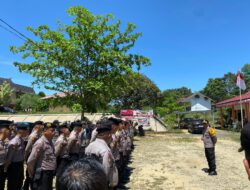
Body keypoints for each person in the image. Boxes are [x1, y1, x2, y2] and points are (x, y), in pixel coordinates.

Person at [85, 120, 119, 188]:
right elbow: (107, 169)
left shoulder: (90, 146)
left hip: (92, 179)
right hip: (103, 183)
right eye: (111, 134)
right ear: (108, 135)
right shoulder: (105, 150)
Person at [27, 122, 57, 190]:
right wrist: (32, 173)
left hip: (49, 172)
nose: (54, 132)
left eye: (54, 130)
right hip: (43, 173)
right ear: (45, 131)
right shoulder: (40, 143)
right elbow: (31, 160)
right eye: (52, 131)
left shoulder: (50, 142)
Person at [5, 123, 28, 190]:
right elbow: (9, 158)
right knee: (13, 184)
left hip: (20, 164)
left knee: (19, 182)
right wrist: (6, 169)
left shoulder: (21, 140)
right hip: (13, 166)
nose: (27, 133)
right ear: (22, 131)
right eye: (26, 131)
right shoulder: (14, 142)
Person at [23, 121, 44, 190]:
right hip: (31, 155)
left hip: (34, 155)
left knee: (30, 174)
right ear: (38, 126)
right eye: (42, 125)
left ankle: (26, 186)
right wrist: (26, 158)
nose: (43, 127)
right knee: (30, 173)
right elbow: (27, 149)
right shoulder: (33, 135)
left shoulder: (38, 134)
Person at [55, 122, 70, 190]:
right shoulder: (60, 140)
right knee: (60, 174)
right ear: (63, 130)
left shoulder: (64, 138)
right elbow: (56, 152)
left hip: (65, 159)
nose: (68, 130)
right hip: (62, 159)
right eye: (67, 129)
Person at [0, 124, 10, 190]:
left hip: (3, 168)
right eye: (8, 131)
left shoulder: (6, 142)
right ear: (4, 131)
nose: (10, 133)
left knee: (2, 185)